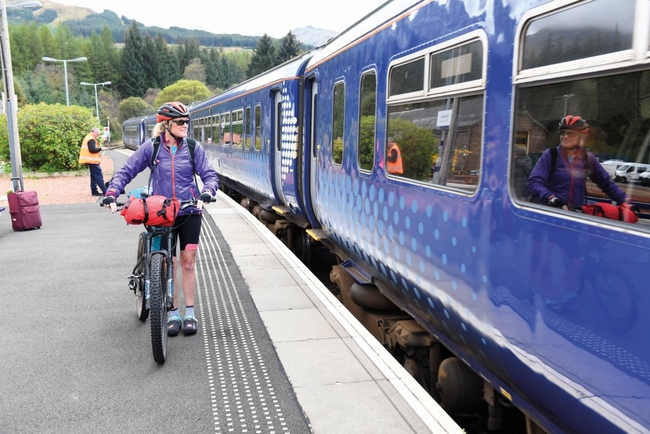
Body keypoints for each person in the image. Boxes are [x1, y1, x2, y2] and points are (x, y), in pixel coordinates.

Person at [102, 102, 219, 337]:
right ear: (166, 125)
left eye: (187, 122)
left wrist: (208, 191)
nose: (185, 126)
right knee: (169, 262)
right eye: (180, 122)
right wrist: (112, 192)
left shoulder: (194, 148)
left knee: (187, 262)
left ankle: (190, 313)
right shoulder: (152, 148)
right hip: (162, 213)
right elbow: (127, 171)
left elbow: (209, 174)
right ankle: (172, 312)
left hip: (189, 212)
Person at [527, 115, 631, 210]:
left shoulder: (587, 158)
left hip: (575, 213)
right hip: (552, 211)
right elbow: (534, 182)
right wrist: (551, 198)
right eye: (562, 133)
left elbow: (607, 183)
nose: (565, 136)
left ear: (581, 137)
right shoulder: (551, 155)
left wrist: (625, 201)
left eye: (570, 133)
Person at [78, 127, 107, 196]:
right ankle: (105, 191)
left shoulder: (88, 137)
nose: (98, 136)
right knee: (98, 176)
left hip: (90, 160)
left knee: (93, 176)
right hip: (92, 161)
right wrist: (100, 149)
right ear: (94, 132)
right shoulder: (91, 139)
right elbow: (92, 149)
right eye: (97, 134)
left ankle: (94, 191)